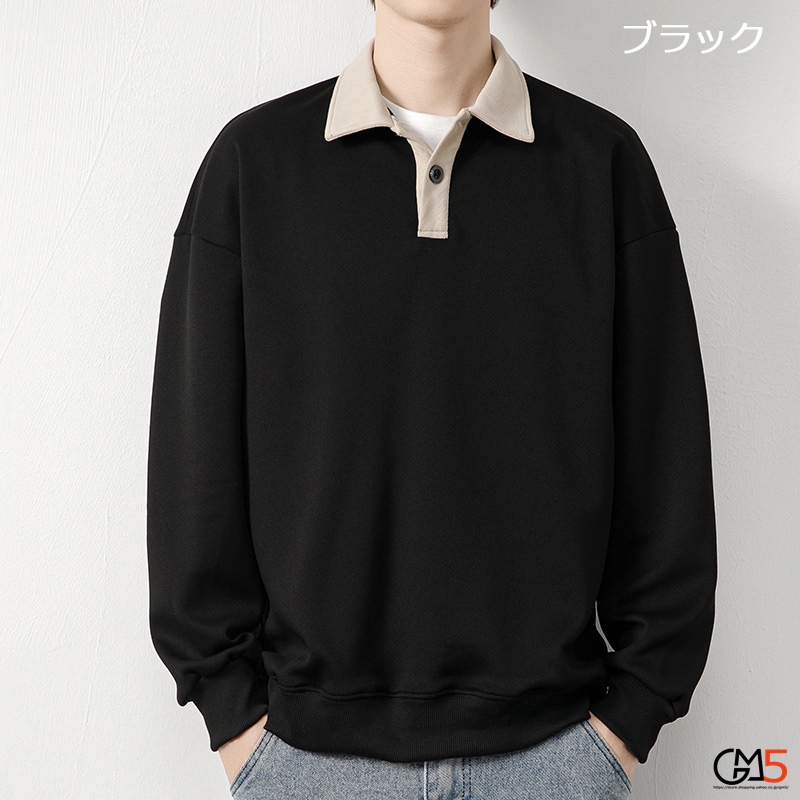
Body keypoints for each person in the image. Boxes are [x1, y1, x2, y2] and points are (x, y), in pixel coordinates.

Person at [146, 0, 718, 797]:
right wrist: (233, 714)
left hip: (555, 758)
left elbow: (667, 457)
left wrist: (629, 720)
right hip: (305, 762)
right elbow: (194, 459)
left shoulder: (603, 164)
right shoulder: (254, 165)